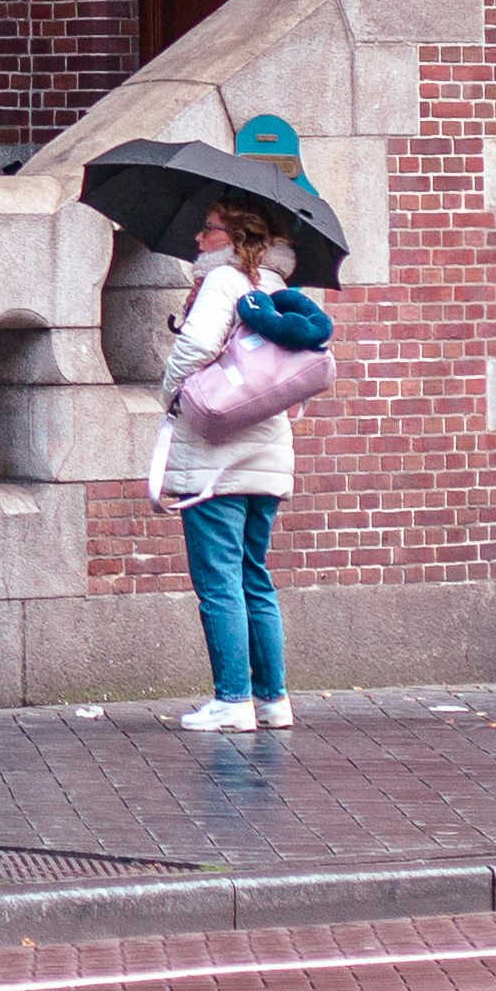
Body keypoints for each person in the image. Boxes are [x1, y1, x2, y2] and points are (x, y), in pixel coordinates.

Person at [157, 193, 325, 733]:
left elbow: (195, 349)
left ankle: (232, 700)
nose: (198, 239)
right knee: (254, 575)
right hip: (268, 457)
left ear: (232, 238)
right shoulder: (276, 290)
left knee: (219, 579)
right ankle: (271, 700)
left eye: (207, 229)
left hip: (214, 458)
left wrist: (170, 394)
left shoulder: (223, 283)